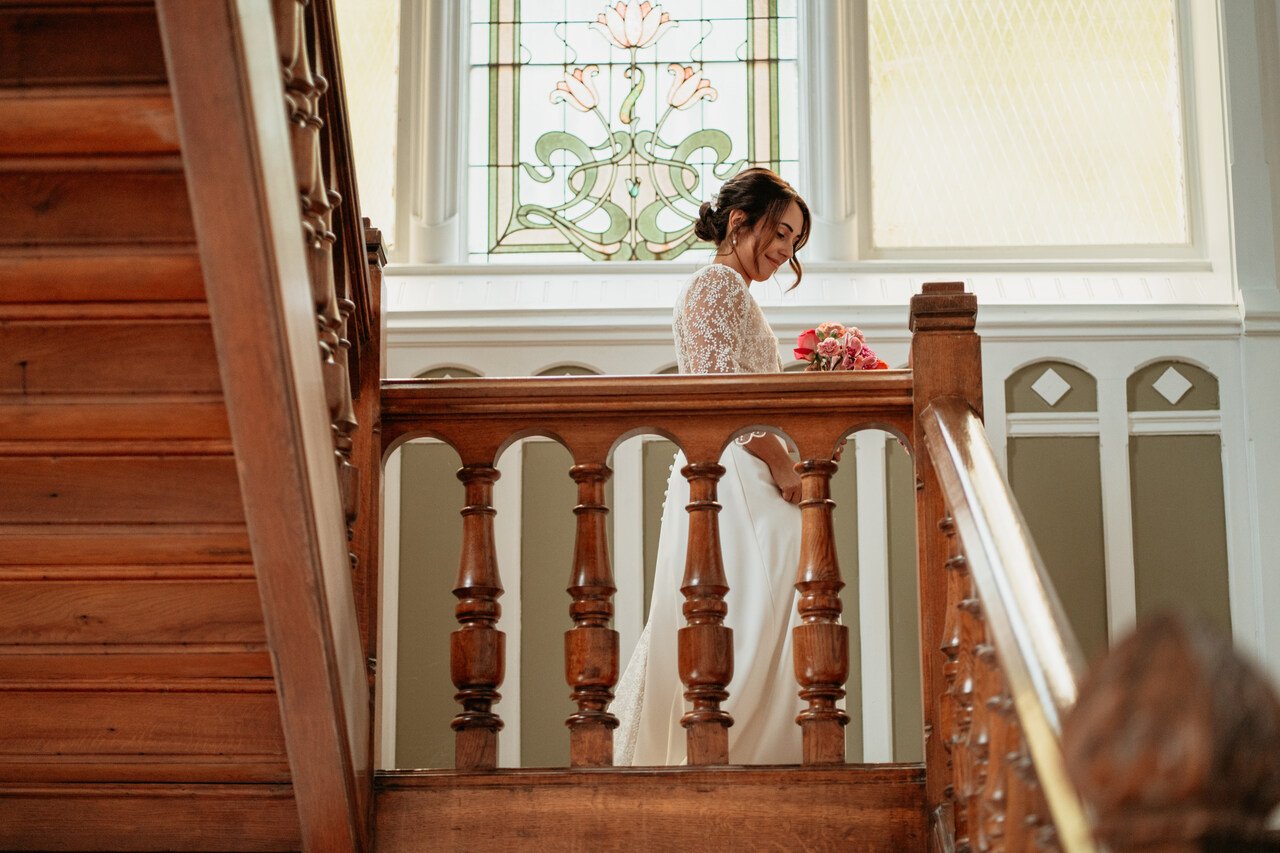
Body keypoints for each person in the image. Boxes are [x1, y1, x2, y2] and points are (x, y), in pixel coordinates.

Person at [613, 167, 812, 765]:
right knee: (759, 600)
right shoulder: (716, 286)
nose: (784, 250)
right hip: (732, 472)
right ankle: (738, 755)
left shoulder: (731, 292)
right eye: (779, 232)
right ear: (738, 222)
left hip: (735, 467)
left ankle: (748, 753)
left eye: (794, 242)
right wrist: (783, 467)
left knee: (764, 603)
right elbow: (726, 394)